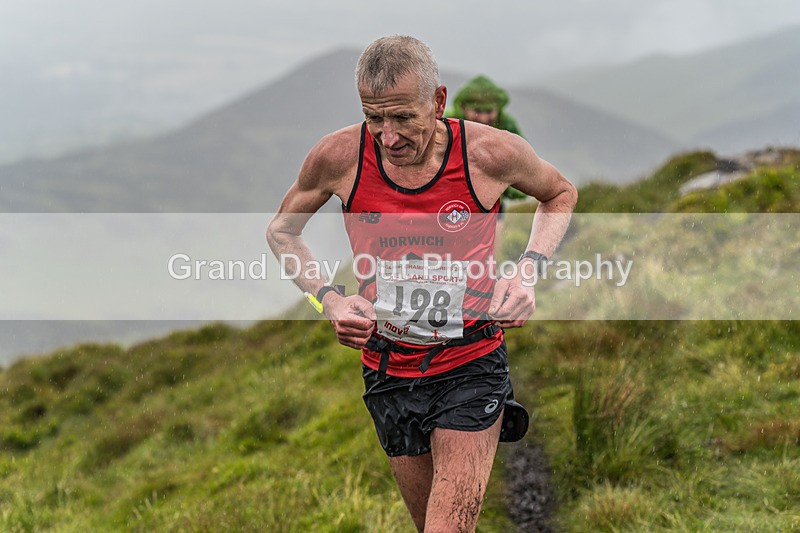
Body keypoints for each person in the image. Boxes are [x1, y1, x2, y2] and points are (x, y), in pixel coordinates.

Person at [267, 35, 577, 532]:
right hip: (388, 371)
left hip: (470, 363)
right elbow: (282, 233)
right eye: (374, 118)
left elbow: (560, 193)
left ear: (437, 101)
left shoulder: (488, 153)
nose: (388, 137)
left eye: (403, 118)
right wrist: (326, 300)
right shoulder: (339, 157)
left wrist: (527, 272)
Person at [446, 75, 528, 253]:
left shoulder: (507, 125)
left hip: (492, 201)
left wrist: (504, 187)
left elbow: (523, 166)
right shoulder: (447, 123)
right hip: (451, 201)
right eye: (477, 111)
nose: (483, 118)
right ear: (463, 107)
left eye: (489, 111)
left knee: (489, 257)